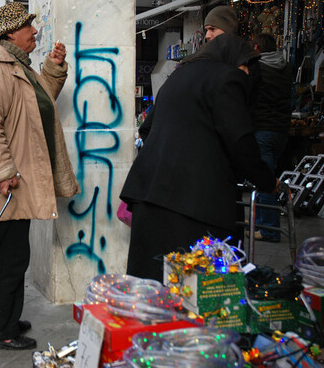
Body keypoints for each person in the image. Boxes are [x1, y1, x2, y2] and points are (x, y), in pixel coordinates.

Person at [0, 2, 79, 350]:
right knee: (8, 258)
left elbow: (39, 103)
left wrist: (53, 69)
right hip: (7, 183)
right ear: (11, 33)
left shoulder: (17, 67)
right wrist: (3, 171)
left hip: (13, 181)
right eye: (28, 27)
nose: (34, 32)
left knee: (5, 254)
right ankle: (0, 330)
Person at [120, 33, 278, 282]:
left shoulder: (180, 75)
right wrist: (268, 182)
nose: (247, 73)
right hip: (193, 204)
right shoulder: (227, 78)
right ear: (236, 60)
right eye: (247, 66)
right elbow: (241, 142)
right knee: (197, 291)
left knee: (151, 287)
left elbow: (147, 129)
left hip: (149, 196)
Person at [252, 33, 293, 243]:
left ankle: (268, 230)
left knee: (265, 181)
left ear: (257, 48)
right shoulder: (286, 68)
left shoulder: (258, 69)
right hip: (281, 131)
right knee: (268, 176)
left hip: (263, 129)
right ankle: (261, 224)